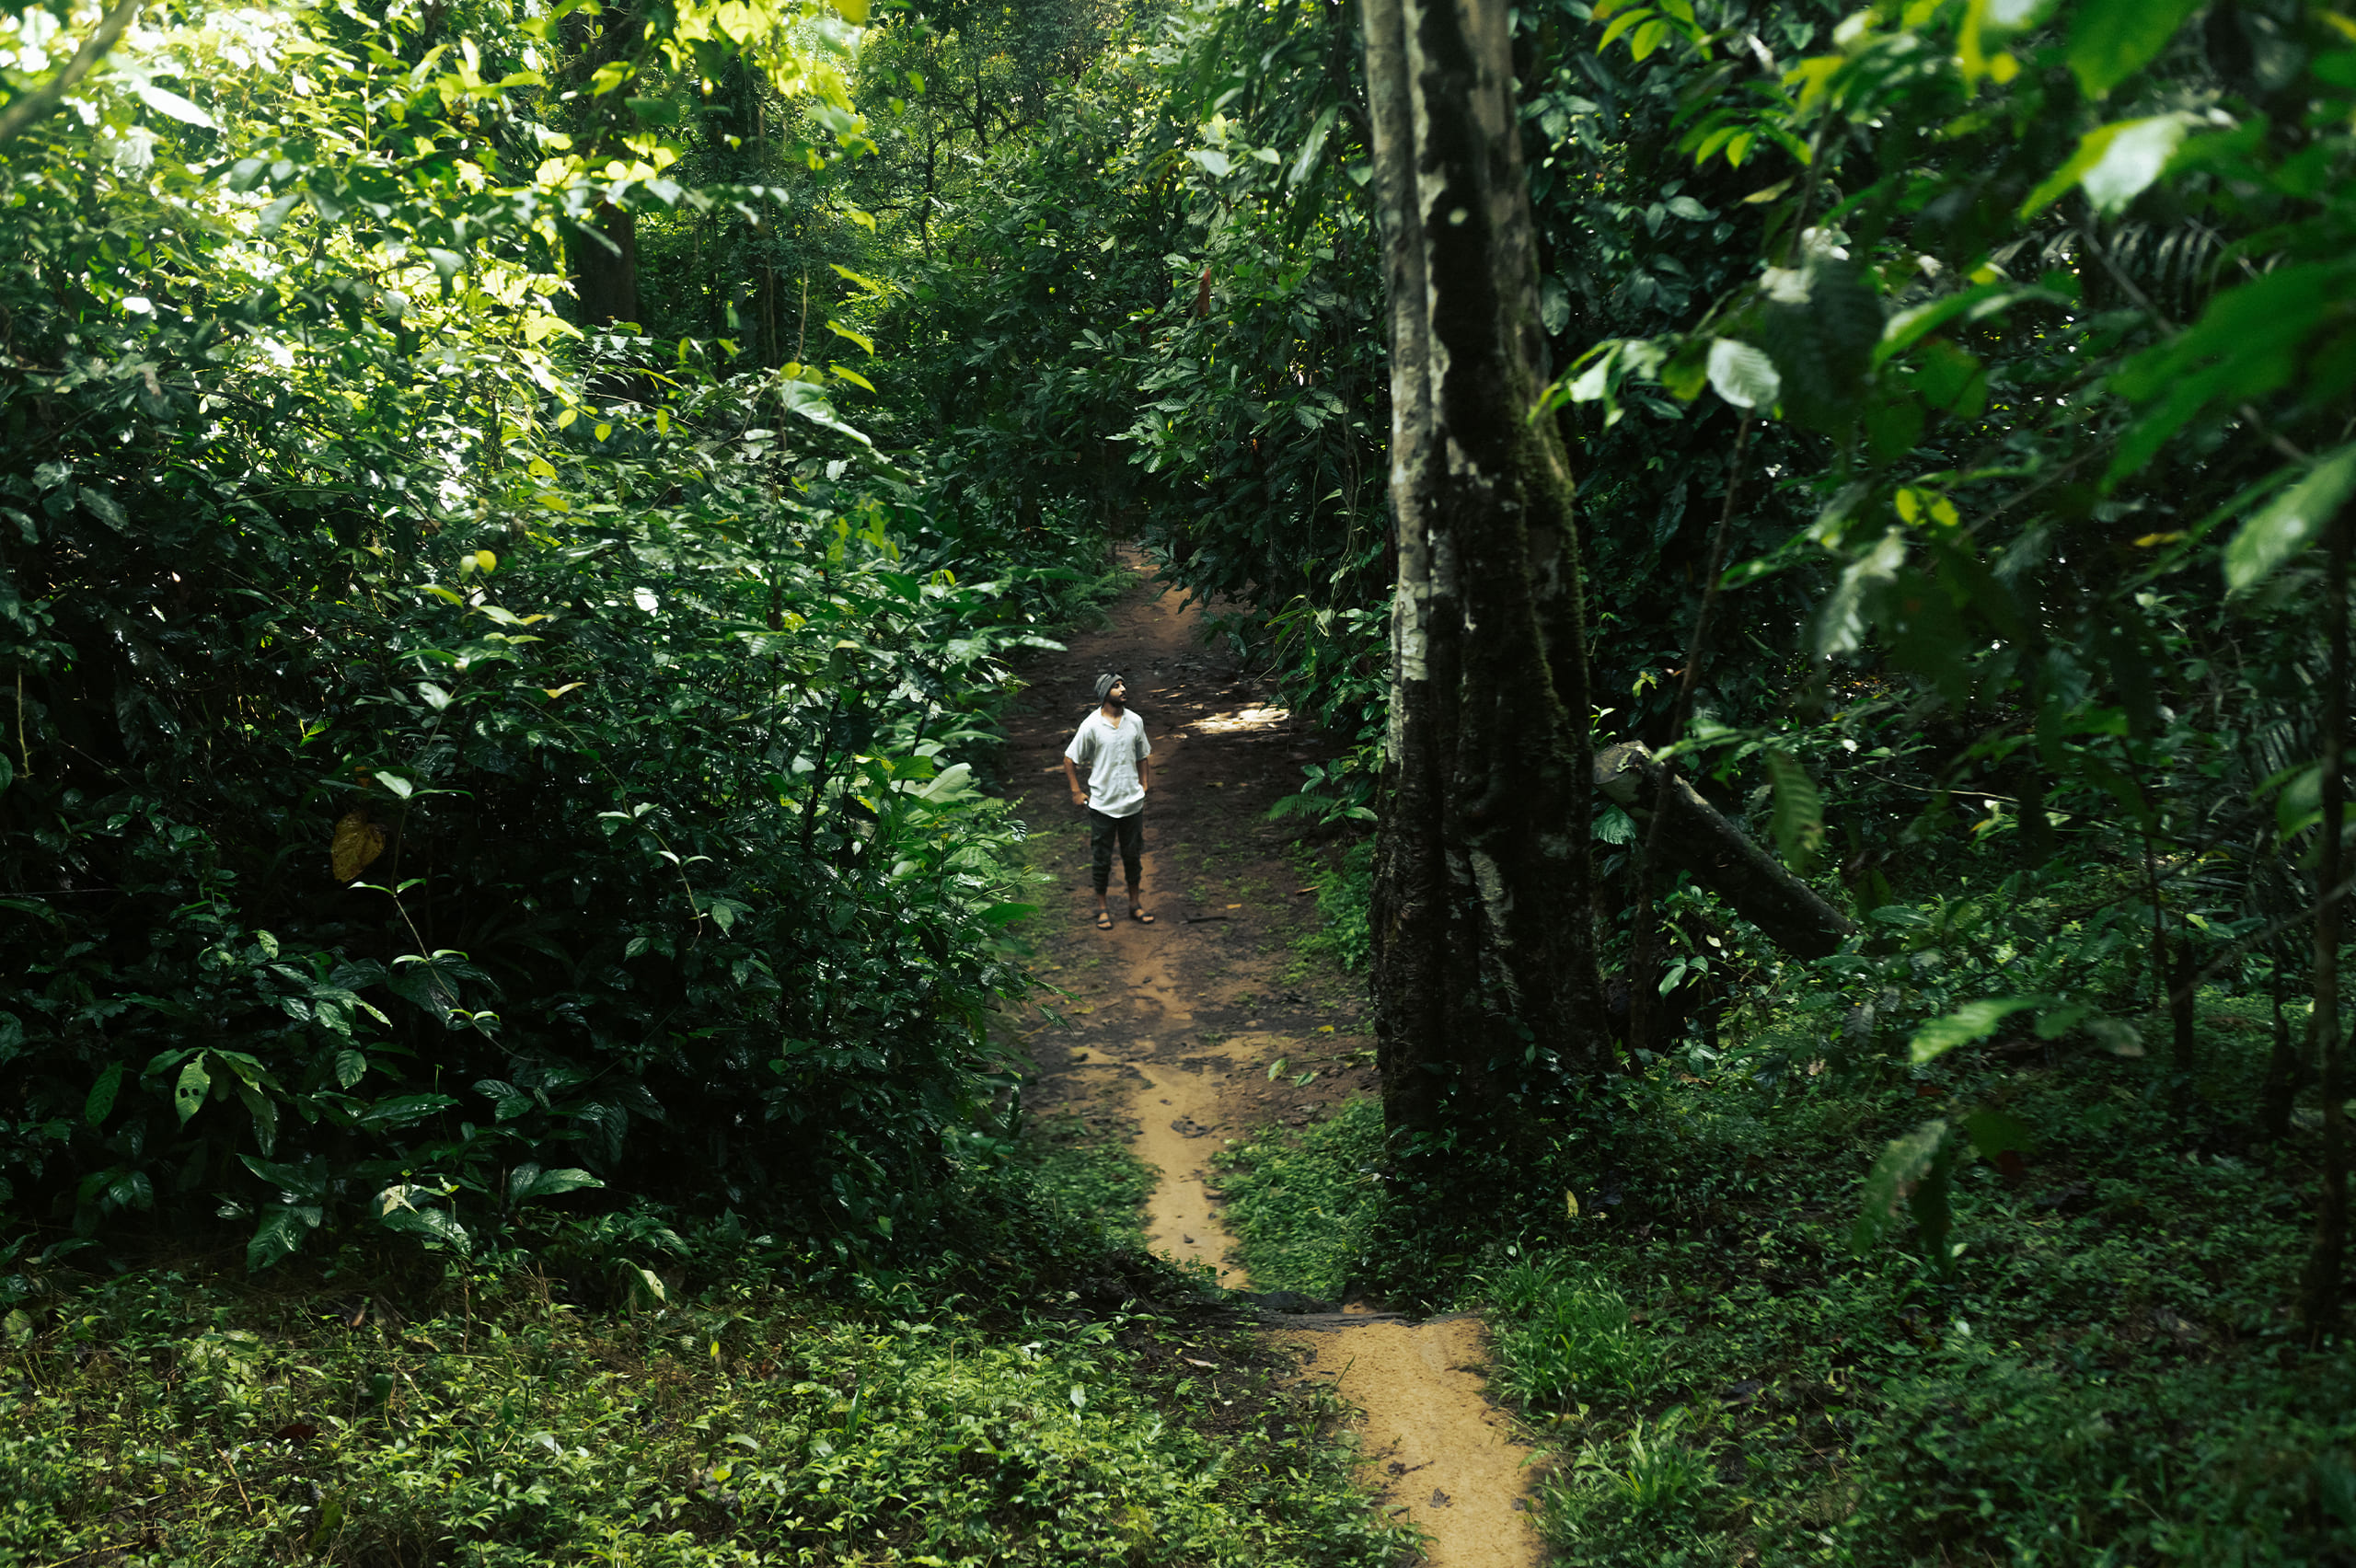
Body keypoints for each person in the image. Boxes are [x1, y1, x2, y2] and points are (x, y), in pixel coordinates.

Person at [1062, 672, 1154, 929]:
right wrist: (1076, 792)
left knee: (1132, 856)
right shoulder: (1091, 725)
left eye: (1123, 684)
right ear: (1104, 693)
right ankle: (1102, 908)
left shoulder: (1135, 721)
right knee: (1101, 858)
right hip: (1102, 806)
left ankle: (1135, 905)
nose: (1123, 689)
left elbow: (1142, 755)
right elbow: (1070, 759)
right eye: (1116, 686)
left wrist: (1144, 784)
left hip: (1131, 805)